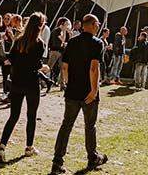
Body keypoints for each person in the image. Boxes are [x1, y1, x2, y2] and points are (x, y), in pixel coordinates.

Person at [50, 14, 108, 175]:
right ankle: (92, 156)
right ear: (91, 25)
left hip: (72, 91)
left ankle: (57, 162)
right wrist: (94, 91)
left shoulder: (73, 42)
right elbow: (94, 68)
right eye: (97, 24)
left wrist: (68, 83)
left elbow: (65, 66)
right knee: (90, 127)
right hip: (88, 92)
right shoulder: (97, 43)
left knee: (66, 126)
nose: (98, 27)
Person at [0, 12, 50, 163]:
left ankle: (2, 146)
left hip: (17, 82)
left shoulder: (19, 40)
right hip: (31, 83)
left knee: (13, 116)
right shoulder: (39, 43)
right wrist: (44, 67)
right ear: (41, 25)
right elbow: (36, 64)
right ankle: (29, 147)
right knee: (31, 116)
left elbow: (11, 59)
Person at [48, 17, 70, 89]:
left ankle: (62, 84)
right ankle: (43, 80)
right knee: (49, 66)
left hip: (61, 51)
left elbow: (64, 41)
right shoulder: (57, 30)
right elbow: (62, 39)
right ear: (62, 23)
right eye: (66, 23)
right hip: (55, 51)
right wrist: (64, 31)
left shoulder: (62, 31)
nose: (67, 25)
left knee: (63, 67)